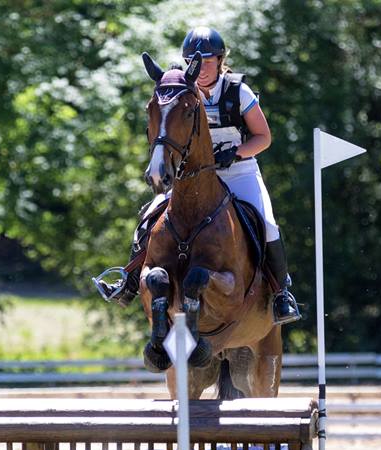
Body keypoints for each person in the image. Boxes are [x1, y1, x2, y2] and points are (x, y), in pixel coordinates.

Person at [95, 26, 301, 325]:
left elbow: (264, 137)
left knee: (267, 222)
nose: (201, 67)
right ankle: (127, 281)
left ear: (220, 60)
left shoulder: (236, 91)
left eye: (207, 61)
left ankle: (281, 294)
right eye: (194, 60)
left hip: (238, 171)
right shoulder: (182, 91)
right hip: (192, 176)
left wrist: (237, 152)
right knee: (150, 215)